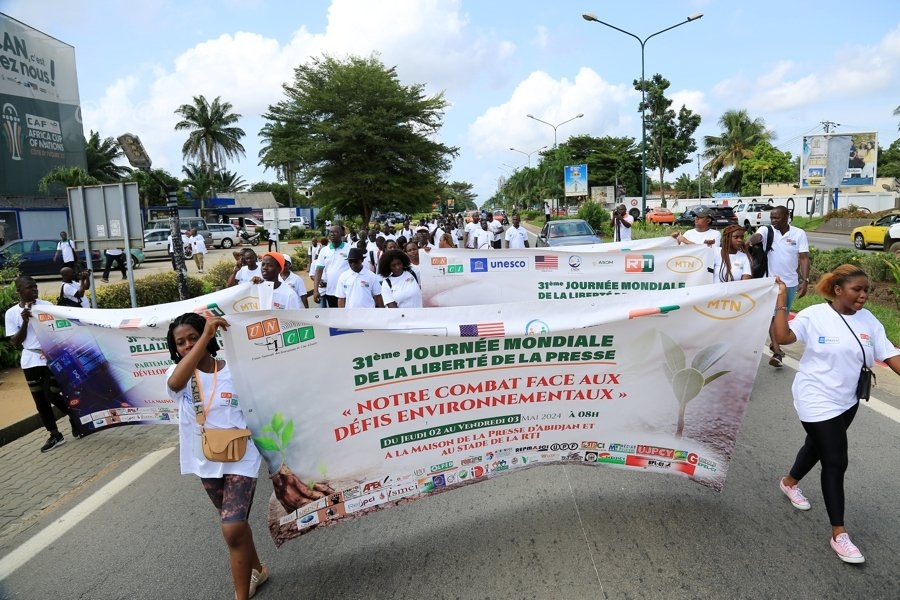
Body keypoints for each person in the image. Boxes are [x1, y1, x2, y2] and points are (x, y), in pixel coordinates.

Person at [771, 265, 900, 565]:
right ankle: (839, 534)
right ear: (838, 289)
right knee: (835, 459)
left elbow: (890, 355)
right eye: (857, 289)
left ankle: (789, 482)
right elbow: (783, 336)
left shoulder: (869, 320)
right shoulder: (815, 315)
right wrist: (781, 299)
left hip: (848, 399)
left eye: (867, 290)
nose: (864, 295)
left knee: (816, 446)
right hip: (815, 397)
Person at [165, 313, 268, 600]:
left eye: (193, 338)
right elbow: (174, 384)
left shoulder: (235, 369)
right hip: (206, 460)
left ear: (208, 337)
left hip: (242, 456)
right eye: (180, 342)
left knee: (232, 527)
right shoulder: (180, 377)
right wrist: (203, 341)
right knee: (236, 524)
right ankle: (258, 569)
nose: (187, 345)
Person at [6, 276, 81, 451]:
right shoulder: (12, 313)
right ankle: (55, 434)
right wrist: (25, 321)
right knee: (40, 401)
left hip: (52, 357)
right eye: (29, 287)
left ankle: (74, 415)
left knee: (52, 395)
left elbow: (60, 328)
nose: (34, 290)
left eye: (35, 287)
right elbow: (16, 341)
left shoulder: (46, 306)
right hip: (30, 360)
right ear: (19, 291)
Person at [748, 205, 810, 368]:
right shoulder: (767, 230)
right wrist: (750, 240)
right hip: (770, 283)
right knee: (771, 316)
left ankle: (775, 345)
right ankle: (777, 350)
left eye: (777, 218)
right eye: (772, 217)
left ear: (787, 216)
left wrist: (805, 280)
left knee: (781, 317)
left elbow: (803, 258)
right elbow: (757, 237)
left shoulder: (799, 234)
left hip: (790, 283)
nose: (773, 221)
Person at [313, 224, 353, 308]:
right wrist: (315, 290)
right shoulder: (324, 250)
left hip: (346, 291)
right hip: (330, 291)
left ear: (341, 234)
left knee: (346, 318)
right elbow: (319, 270)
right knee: (334, 318)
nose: (332, 234)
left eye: (335, 232)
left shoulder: (349, 248)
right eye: (331, 232)